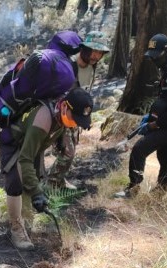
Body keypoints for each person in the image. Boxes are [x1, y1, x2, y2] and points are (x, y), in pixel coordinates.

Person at [0, 87, 94, 250]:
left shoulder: (61, 116)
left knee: (33, 179)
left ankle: (22, 221)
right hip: (13, 143)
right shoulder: (43, 120)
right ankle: (15, 228)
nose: (75, 123)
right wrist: (37, 193)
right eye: (75, 118)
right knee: (16, 184)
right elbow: (25, 158)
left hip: (33, 145)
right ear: (65, 106)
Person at [115, 33, 167, 198]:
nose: (154, 60)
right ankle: (161, 190)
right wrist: (150, 117)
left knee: (139, 149)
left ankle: (133, 188)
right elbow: (165, 99)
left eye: (157, 56)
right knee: (166, 150)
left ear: (166, 52)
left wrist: (153, 125)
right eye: (152, 56)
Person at [47, 32, 110, 191]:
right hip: (62, 114)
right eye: (94, 51)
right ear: (84, 49)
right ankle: (51, 182)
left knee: (70, 149)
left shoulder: (92, 67)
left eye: (100, 53)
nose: (97, 56)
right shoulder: (68, 65)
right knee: (68, 152)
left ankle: (58, 179)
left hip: (75, 116)